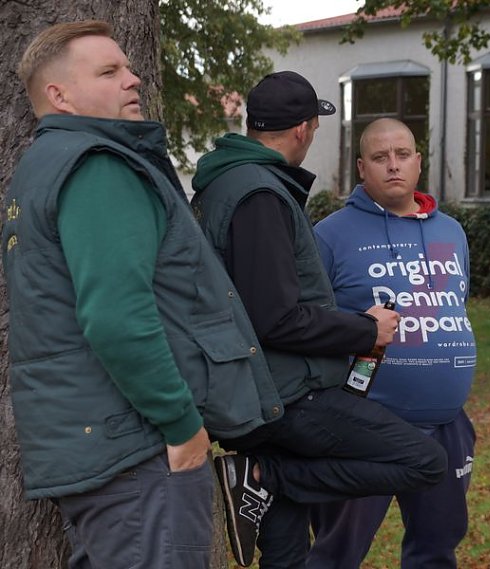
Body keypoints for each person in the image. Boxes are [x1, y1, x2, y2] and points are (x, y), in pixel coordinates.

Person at [1, 21, 284, 569]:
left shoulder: (38, 171)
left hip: (97, 446)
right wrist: (181, 426)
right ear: (59, 95)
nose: (133, 80)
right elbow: (116, 317)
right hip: (136, 446)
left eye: (129, 66)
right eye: (109, 71)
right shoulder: (99, 168)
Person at [191, 74, 447, 568]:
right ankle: (266, 475)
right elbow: (276, 318)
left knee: (287, 551)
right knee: (424, 461)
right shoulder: (258, 193)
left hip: (253, 391)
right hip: (286, 396)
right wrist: (365, 330)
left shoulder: (227, 182)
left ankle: (272, 478)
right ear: (305, 129)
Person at [308, 118, 477, 568]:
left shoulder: (452, 233)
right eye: (381, 158)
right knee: (336, 553)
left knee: (437, 550)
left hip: (446, 425)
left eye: (403, 155)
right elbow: (308, 325)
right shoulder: (329, 235)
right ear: (362, 167)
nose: (394, 166)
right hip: (365, 423)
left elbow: (453, 306)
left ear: (419, 162)